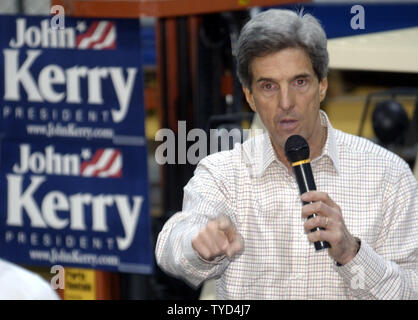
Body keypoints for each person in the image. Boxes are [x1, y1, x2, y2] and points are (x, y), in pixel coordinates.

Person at [155, 9, 417, 299]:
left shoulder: (388, 175)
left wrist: (351, 252)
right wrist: (198, 243)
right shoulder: (224, 173)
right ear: (250, 97)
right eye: (269, 86)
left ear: (323, 85)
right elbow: (171, 247)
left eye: (299, 82)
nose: (286, 102)